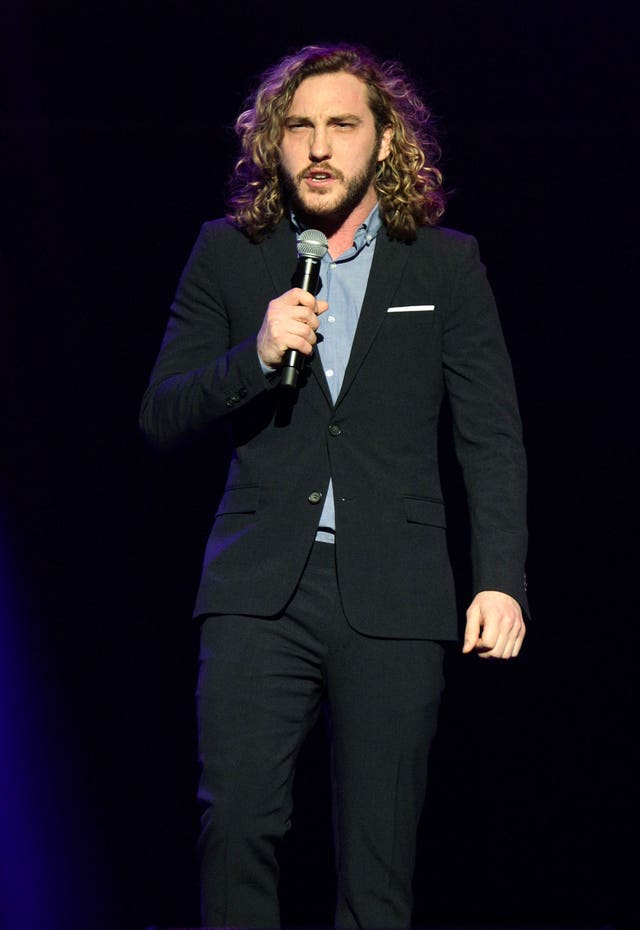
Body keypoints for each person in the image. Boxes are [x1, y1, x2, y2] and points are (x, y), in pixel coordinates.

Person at [139, 41, 529, 930]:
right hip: (257, 590)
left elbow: (491, 434)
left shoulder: (444, 264)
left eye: (341, 126)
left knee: (379, 858)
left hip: (396, 592)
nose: (318, 147)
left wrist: (500, 577)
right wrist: (257, 353)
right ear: (272, 145)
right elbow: (161, 414)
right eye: (299, 127)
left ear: (384, 143)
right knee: (235, 825)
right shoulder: (228, 254)